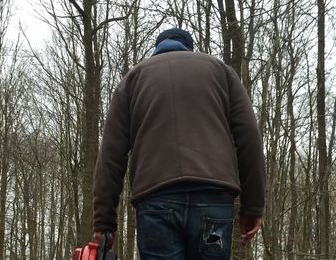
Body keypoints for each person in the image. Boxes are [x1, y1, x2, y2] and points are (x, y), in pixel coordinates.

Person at [93, 28, 265, 260]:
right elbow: (249, 135)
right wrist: (252, 207)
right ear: (189, 48)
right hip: (213, 199)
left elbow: (111, 154)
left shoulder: (133, 79)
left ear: (157, 48)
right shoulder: (221, 72)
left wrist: (104, 223)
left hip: (156, 200)